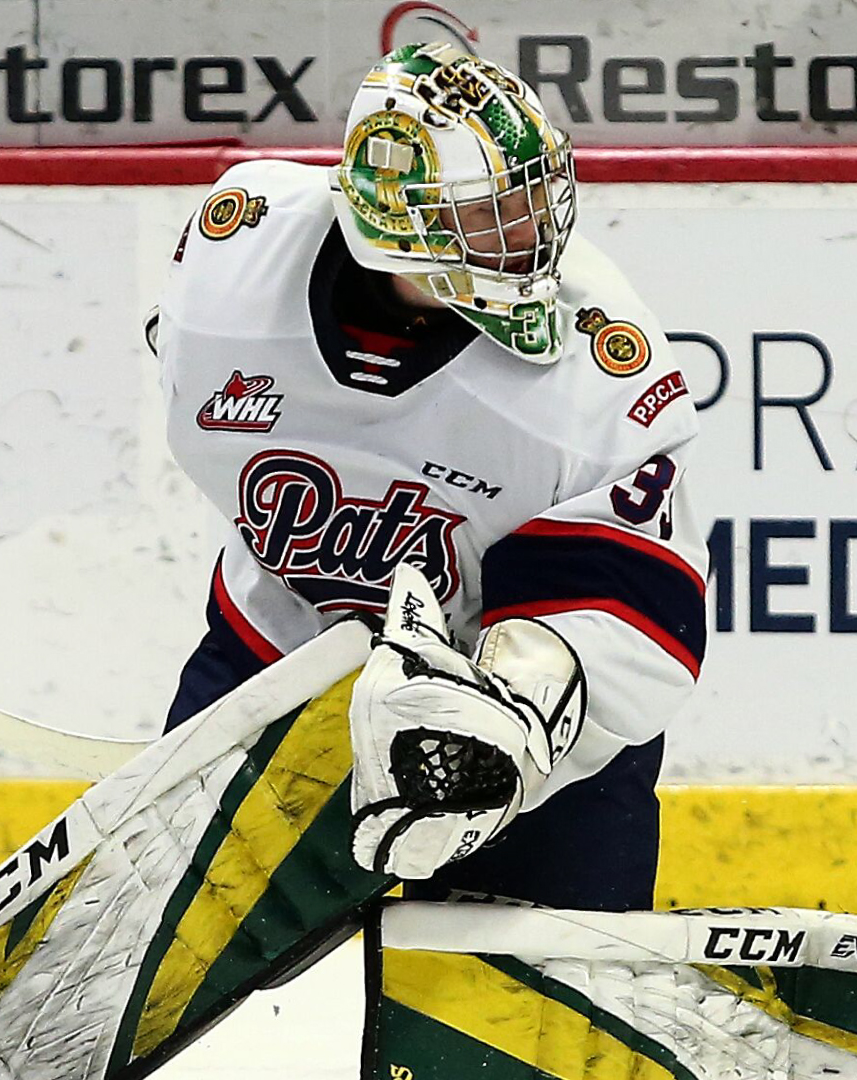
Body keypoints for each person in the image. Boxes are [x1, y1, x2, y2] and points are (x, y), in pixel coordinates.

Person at [148, 42, 708, 913]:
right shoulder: (239, 263)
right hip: (286, 657)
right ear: (395, 224)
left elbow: (635, 607)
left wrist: (514, 709)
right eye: (490, 213)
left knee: (506, 990)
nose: (529, 237)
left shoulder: (597, 365)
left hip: (525, 739)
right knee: (162, 927)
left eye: (531, 201)